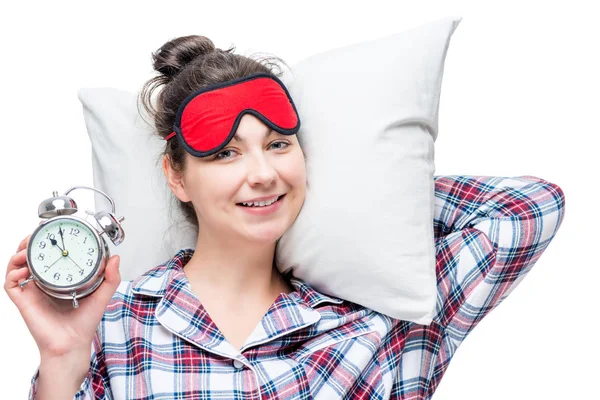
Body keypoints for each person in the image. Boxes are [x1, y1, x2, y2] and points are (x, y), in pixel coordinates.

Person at [5, 35, 566, 400]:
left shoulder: (384, 321)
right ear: (176, 177)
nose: (262, 173)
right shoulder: (117, 322)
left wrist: (364, 193)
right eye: (225, 153)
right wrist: (61, 357)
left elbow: (532, 207)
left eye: (278, 145)